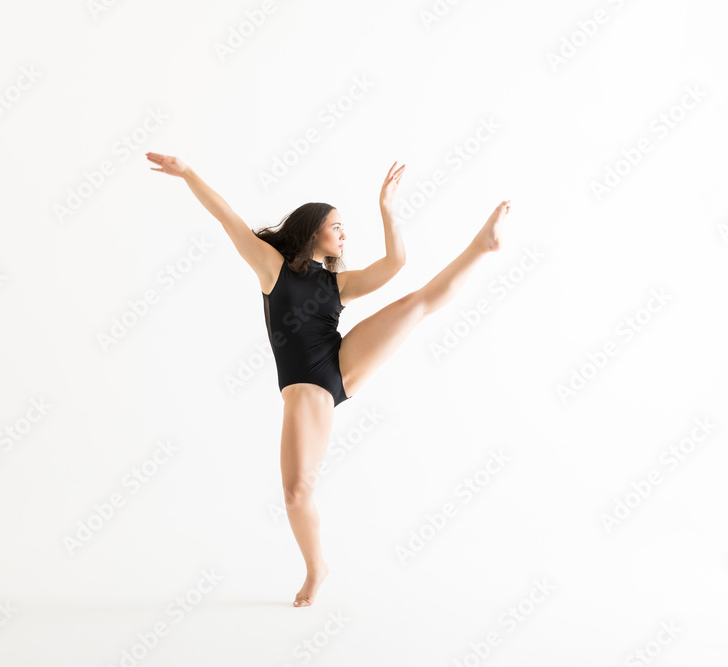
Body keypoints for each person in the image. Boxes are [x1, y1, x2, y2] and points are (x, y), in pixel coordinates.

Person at [146, 152, 511, 606]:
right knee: (298, 492)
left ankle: (481, 246)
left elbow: (395, 263)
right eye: (336, 225)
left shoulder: (337, 283)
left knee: (414, 304)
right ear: (313, 229)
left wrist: (387, 209)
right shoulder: (271, 267)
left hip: (338, 363)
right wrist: (187, 173)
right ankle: (317, 568)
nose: (343, 233)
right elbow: (228, 217)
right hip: (304, 384)